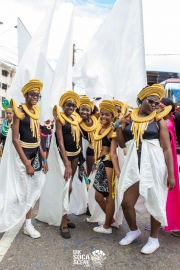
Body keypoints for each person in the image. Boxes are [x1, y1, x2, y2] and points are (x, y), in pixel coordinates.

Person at [116, 84, 175, 254]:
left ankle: (154, 239)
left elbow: (166, 149)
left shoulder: (158, 121)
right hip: (134, 165)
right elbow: (121, 143)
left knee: (155, 200)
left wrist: (171, 174)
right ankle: (134, 230)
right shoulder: (130, 118)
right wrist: (119, 125)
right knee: (126, 202)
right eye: (151, 101)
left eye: (157, 103)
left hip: (154, 165)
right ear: (141, 100)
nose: (154, 105)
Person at [0, 79, 48, 238]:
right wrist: (26, 163)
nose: (35, 97)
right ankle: (6, 217)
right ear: (26, 94)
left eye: (37, 95)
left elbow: (38, 138)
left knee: (31, 191)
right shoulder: (18, 111)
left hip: (35, 155)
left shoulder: (36, 111)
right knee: (17, 192)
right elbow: (14, 139)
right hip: (23, 155)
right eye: (32, 94)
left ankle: (28, 225)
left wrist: (44, 159)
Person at [36, 90, 81, 239]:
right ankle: (63, 223)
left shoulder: (76, 118)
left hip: (75, 155)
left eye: (73, 105)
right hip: (65, 157)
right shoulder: (60, 119)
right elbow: (60, 142)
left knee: (70, 187)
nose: (71, 107)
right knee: (66, 187)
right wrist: (67, 163)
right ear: (63, 105)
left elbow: (79, 138)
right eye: (68, 104)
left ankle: (65, 215)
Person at [92, 100, 121, 234]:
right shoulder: (99, 128)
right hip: (101, 163)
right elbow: (98, 151)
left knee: (109, 196)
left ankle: (107, 226)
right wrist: (95, 163)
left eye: (107, 115)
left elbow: (114, 153)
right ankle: (111, 221)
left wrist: (118, 172)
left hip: (108, 164)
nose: (103, 117)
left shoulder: (113, 131)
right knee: (98, 196)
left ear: (112, 117)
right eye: (102, 114)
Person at [157, 98, 180, 236]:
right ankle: (161, 220)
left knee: (166, 192)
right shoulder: (167, 121)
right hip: (167, 161)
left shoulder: (166, 123)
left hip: (166, 162)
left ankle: (172, 223)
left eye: (159, 106)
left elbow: (164, 147)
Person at [78, 96, 98, 176]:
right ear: (79, 110)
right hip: (90, 152)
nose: (84, 112)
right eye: (82, 109)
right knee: (91, 175)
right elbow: (79, 144)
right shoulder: (78, 124)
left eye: (87, 110)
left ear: (91, 111)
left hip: (100, 150)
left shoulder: (97, 120)